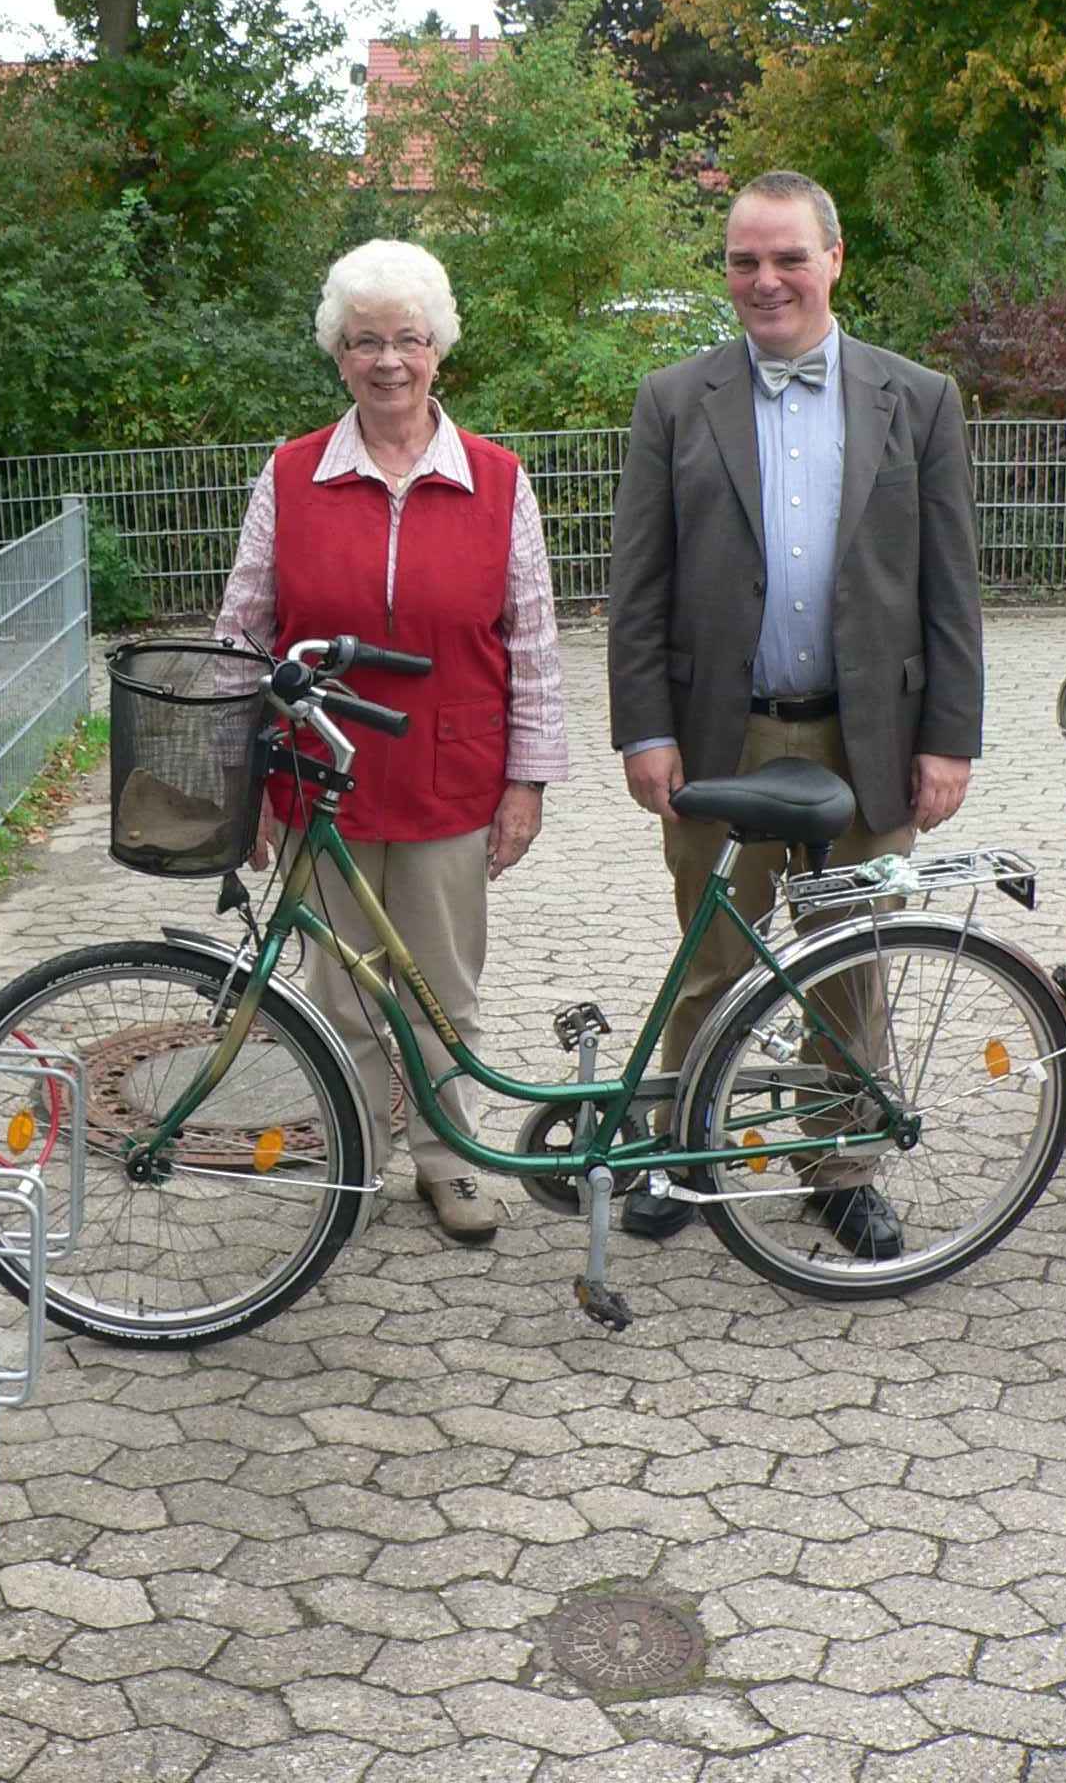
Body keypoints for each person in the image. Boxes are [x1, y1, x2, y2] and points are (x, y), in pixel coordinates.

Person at [607, 170, 983, 1257]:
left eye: (786, 257)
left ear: (834, 259)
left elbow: (950, 590)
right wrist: (646, 730)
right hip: (722, 736)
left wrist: (948, 738)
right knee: (713, 959)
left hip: (869, 741)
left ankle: (840, 1168)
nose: (764, 280)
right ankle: (686, 1152)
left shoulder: (918, 399)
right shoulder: (676, 400)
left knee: (851, 966)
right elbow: (638, 588)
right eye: (743, 260)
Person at [215, 238, 569, 1243]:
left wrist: (529, 780)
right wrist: (238, 784)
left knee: (438, 987)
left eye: (405, 339)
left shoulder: (499, 482)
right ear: (338, 355)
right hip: (315, 772)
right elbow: (241, 633)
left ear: (437, 350)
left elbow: (535, 645)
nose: (387, 362)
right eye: (363, 341)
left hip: (452, 776)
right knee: (335, 986)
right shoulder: (290, 476)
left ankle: (451, 1162)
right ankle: (356, 1156)